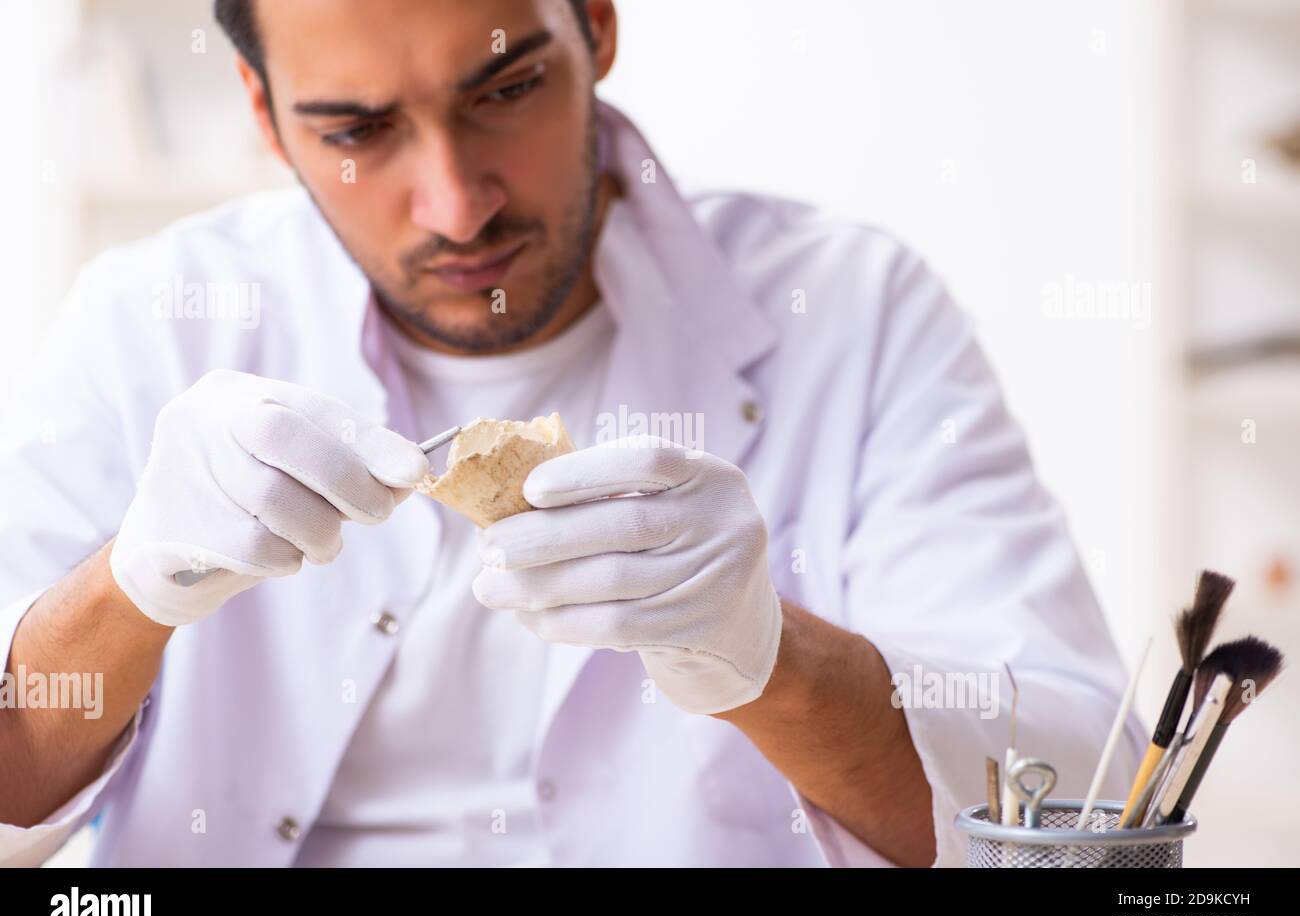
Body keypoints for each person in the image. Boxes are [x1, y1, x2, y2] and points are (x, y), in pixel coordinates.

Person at [0, 0, 1144, 867]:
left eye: (505, 89)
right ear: (262, 112)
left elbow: (1082, 825)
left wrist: (764, 661)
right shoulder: (153, 319)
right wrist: (129, 590)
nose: (455, 205)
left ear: (594, 25)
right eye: (357, 128)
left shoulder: (857, 311)